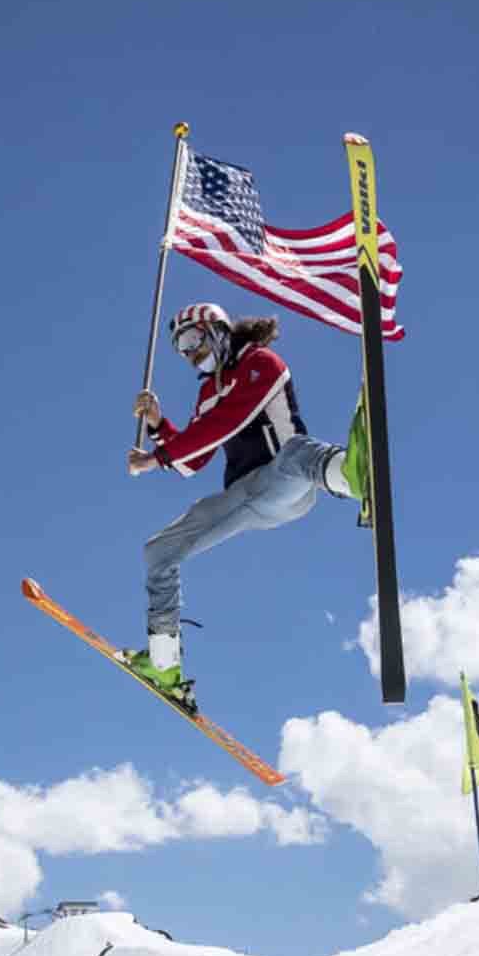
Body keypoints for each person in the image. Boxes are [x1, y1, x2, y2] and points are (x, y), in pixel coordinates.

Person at [122, 302, 369, 707]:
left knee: (293, 453)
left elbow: (227, 422)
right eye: (180, 349)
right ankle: (165, 664)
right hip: (245, 497)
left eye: (190, 340)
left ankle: (352, 475)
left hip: (286, 481)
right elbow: (192, 460)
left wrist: (154, 459)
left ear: (217, 330)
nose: (188, 354)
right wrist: (157, 425)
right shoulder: (208, 391)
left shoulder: (261, 363)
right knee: (159, 551)